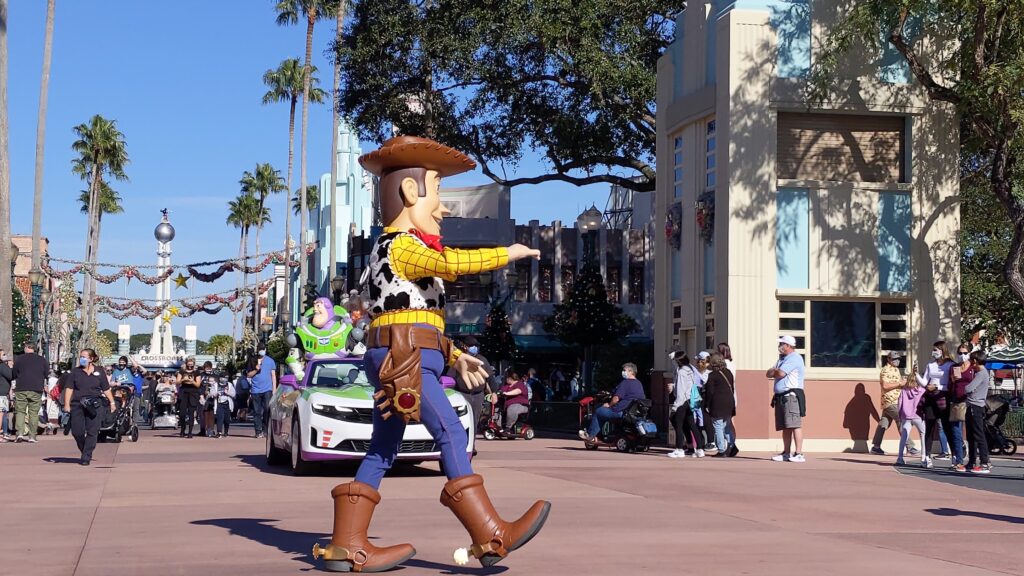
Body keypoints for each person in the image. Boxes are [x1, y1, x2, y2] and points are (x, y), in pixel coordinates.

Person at [313, 136, 549, 573]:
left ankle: (347, 545)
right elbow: (451, 267)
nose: (442, 208)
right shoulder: (401, 245)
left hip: (402, 353)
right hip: (404, 360)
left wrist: (455, 354)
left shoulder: (388, 252)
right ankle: (491, 535)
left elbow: (409, 314)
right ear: (409, 194)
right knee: (452, 434)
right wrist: (507, 253)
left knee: (383, 448)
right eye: (437, 192)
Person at [63, 349, 116, 466]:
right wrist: (67, 404)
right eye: (81, 357)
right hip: (78, 404)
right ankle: (84, 450)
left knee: (93, 431)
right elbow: (69, 388)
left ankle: (86, 456)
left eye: (84, 357)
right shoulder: (75, 372)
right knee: (77, 432)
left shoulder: (99, 372)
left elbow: (106, 389)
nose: (82, 359)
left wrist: (112, 402)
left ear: (91, 359)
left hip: (95, 405)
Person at [579, 363, 645, 442]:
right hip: (633, 413)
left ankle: (590, 435)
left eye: (624, 370)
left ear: (631, 372)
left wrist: (609, 404)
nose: (623, 372)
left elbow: (616, 398)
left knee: (599, 411)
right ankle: (607, 436)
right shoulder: (639, 383)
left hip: (621, 412)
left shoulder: (626, 382)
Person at [766, 335, 806, 462]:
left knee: (794, 425)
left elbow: (780, 373)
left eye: (781, 344)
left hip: (791, 397)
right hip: (781, 397)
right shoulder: (782, 360)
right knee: (785, 426)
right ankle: (786, 452)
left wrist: (776, 371)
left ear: (788, 346)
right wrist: (775, 371)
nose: (779, 347)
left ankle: (798, 453)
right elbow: (769, 373)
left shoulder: (795, 358)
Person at [870, 352, 917, 456]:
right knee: (901, 420)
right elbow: (885, 385)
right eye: (894, 359)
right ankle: (910, 446)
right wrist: (899, 383)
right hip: (890, 401)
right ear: (889, 359)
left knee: (883, 424)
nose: (897, 361)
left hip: (895, 400)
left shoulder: (896, 370)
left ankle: (876, 447)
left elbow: (898, 384)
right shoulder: (885, 370)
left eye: (898, 359)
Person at [915, 341, 954, 460]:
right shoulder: (930, 365)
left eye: (936, 350)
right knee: (930, 426)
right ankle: (926, 456)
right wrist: (916, 374)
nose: (934, 352)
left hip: (943, 398)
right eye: (933, 350)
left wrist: (937, 387)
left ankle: (954, 456)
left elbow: (951, 384)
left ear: (942, 351)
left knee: (947, 427)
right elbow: (925, 383)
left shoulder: (950, 365)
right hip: (930, 398)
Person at [452, 336, 494, 434]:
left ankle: (472, 444)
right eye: (471, 346)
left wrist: (494, 392)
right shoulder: (458, 359)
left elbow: (490, 378)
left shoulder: (482, 360)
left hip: (478, 394)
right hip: (462, 393)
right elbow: (450, 376)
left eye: (476, 346)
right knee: (461, 419)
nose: (474, 348)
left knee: (474, 420)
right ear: (465, 346)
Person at [666, 350, 703, 458]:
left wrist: (675, 406)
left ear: (678, 360)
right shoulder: (690, 368)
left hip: (682, 401)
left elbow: (681, 391)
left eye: (674, 360)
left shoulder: (681, 371)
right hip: (690, 400)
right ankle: (699, 449)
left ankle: (679, 449)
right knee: (691, 424)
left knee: (677, 423)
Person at [12, 342, 48, 443]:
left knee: (20, 412)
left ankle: (19, 433)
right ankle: (32, 436)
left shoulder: (19, 359)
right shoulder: (42, 359)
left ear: (27, 348)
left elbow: (14, 373)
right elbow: (46, 373)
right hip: (36, 388)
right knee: (34, 413)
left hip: (21, 387)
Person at [963, 351, 992, 474]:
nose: (971, 363)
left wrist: (967, 387)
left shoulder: (981, 373)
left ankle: (984, 463)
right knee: (971, 436)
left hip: (976, 406)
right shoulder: (979, 373)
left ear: (975, 361)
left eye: (971, 361)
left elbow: (968, 388)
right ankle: (971, 462)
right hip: (972, 406)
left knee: (978, 435)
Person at [705, 353, 737, 457]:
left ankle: (721, 449)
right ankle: (732, 446)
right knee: (727, 425)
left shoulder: (712, 375)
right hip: (729, 401)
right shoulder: (728, 372)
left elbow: (709, 392)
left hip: (717, 403)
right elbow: (732, 387)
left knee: (717, 426)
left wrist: (707, 404)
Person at [947, 344, 973, 471]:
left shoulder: (973, 367)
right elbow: (949, 385)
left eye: (965, 353)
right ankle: (959, 460)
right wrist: (952, 379)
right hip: (956, 401)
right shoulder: (954, 367)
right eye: (960, 353)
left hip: (969, 401)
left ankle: (974, 459)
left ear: (969, 353)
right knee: (956, 431)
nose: (962, 355)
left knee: (972, 431)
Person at [896, 374, 927, 467]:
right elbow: (925, 403)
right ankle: (923, 457)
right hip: (919, 416)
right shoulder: (922, 391)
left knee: (904, 437)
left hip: (906, 416)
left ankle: (900, 457)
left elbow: (899, 404)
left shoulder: (904, 391)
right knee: (923, 436)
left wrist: (900, 415)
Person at [248, 349, 276, 439]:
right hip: (255, 390)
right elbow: (248, 375)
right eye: (260, 349)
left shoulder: (270, 361)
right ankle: (258, 431)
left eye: (263, 349)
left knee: (267, 410)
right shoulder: (252, 360)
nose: (262, 351)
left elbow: (273, 375)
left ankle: (266, 430)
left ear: (265, 350)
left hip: (267, 389)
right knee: (257, 412)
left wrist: (274, 389)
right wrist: (256, 369)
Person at [495, 371, 529, 436]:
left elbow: (518, 391)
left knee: (512, 408)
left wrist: (506, 393)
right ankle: (498, 427)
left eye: (507, 378)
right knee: (496, 409)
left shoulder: (520, 384)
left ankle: (508, 428)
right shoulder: (506, 386)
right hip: (507, 405)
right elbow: (500, 392)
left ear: (510, 378)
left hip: (521, 405)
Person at [176, 357, 202, 438]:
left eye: (191, 364)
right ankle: (183, 429)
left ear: (193, 364)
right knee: (182, 414)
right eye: (188, 364)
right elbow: (177, 382)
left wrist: (192, 381)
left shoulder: (197, 372)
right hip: (183, 392)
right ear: (186, 363)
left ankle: (190, 432)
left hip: (193, 393)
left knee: (191, 413)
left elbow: (198, 384)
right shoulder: (182, 371)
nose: (190, 366)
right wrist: (183, 380)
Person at [210, 373, 235, 437]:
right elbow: (211, 394)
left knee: (227, 419)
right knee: (220, 418)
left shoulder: (229, 385)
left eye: (226, 378)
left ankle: (226, 431)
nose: (225, 379)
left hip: (227, 403)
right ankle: (219, 432)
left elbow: (234, 394)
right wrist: (216, 394)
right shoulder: (215, 385)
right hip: (219, 403)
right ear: (220, 378)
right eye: (224, 377)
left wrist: (228, 393)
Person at [198, 362, 217, 437]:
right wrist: (201, 394)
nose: (208, 369)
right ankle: (203, 429)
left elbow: (217, 386)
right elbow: (198, 386)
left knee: (211, 414)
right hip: (202, 397)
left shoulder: (215, 376)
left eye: (209, 367)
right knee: (202, 414)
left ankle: (211, 429)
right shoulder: (201, 375)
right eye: (206, 367)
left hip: (212, 398)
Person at [0, 349, 12, 441]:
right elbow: (11, 375)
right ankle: (2, 434)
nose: (5, 356)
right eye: (3, 354)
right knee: (2, 414)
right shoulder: (2, 366)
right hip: (2, 394)